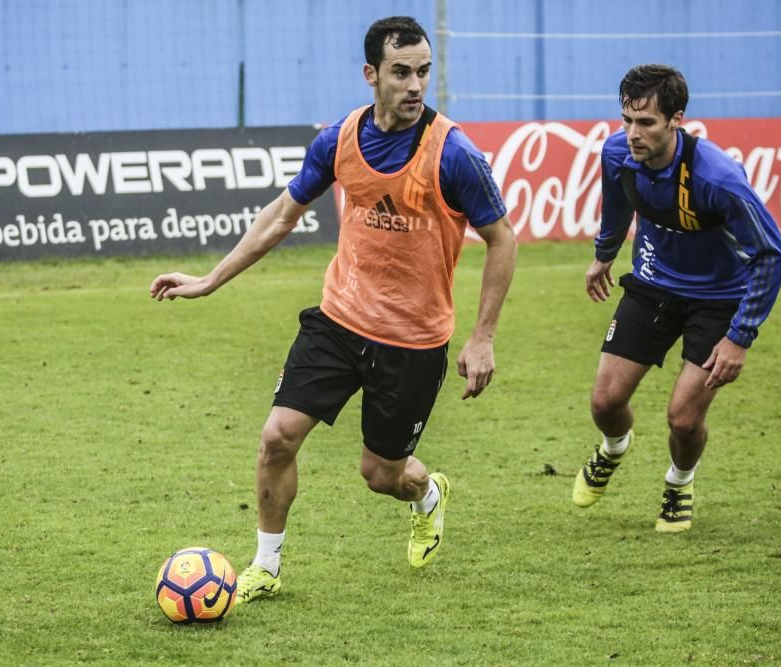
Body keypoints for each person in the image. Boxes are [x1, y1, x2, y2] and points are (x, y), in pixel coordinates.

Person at [151, 16, 516, 602]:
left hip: (413, 340)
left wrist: (483, 337)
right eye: (401, 72)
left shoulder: (455, 155)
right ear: (372, 74)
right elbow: (280, 215)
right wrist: (210, 280)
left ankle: (426, 493)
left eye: (424, 71)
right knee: (276, 438)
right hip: (339, 321)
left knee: (381, 475)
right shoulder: (339, 139)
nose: (415, 85)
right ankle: (266, 566)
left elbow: (503, 239)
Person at [572, 64, 781, 532]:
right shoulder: (616, 154)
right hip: (653, 285)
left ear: (677, 119)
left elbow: (771, 254)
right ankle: (613, 449)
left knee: (684, 419)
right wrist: (603, 256)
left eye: (646, 122)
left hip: (719, 300)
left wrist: (740, 337)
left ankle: (679, 482)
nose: (632, 133)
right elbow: (618, 205)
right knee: (605, 402)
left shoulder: (717, 178)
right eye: (627, 119)